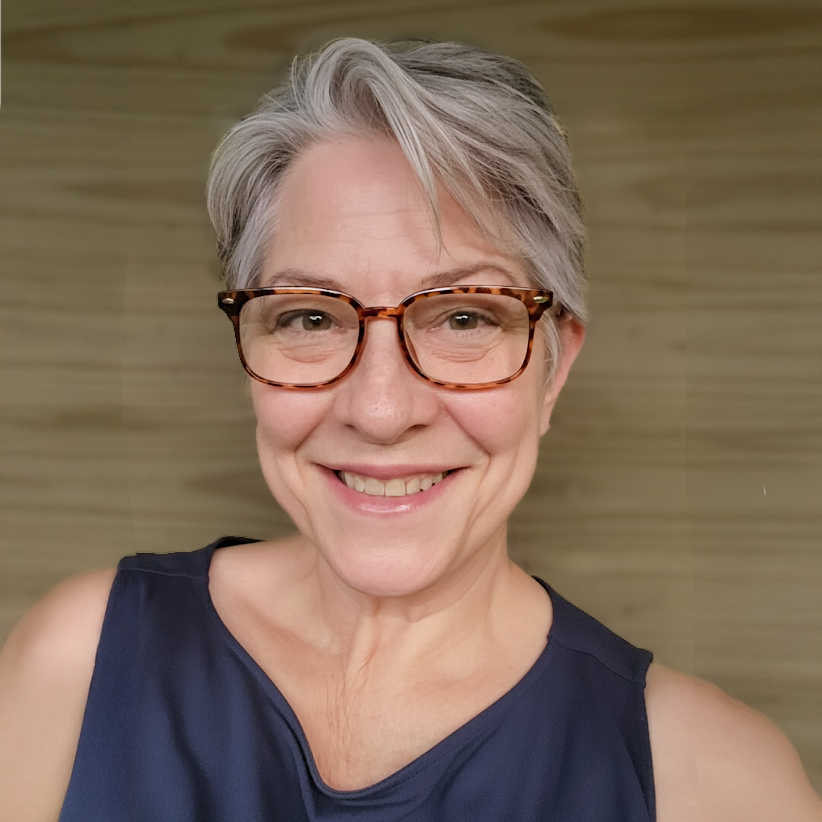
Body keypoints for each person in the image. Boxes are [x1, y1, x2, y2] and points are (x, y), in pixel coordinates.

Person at [1, 37, 819, 822]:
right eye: (310, 317)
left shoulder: (715, 780)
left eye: (464, 315)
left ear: (553, 366)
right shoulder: (79, 662)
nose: (382, 411)